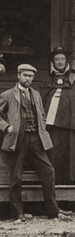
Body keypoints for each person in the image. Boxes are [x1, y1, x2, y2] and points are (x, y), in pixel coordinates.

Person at [0, 64, 71, 220]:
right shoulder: (8, 95)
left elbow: (41, 115)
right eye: (25, 75)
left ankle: (53, 211)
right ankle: (18, 213)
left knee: (48, 171)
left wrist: (42, 127)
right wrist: (7, 127)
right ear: (19, 75)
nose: (28, 79)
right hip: (17, 138)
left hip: (35, 138)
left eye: (31, 76)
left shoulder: (36, 94)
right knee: (16, 177)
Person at [43, 46, 75, 184]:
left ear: (66, 60)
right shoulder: (48, 79)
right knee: (54, 153)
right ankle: (54, 182)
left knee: (70, 153)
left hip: (70, 123)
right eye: (57, 59)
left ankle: (70, 181)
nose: (60, 62)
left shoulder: (73, 78)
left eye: (62, 59)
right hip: (52, 124)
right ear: (53, 62)